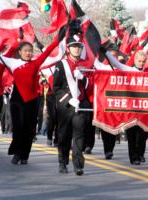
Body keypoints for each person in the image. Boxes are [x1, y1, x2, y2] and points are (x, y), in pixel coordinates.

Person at [0, 28, 64, 165]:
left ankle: (24, 155)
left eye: (30, 51)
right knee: (18, 127)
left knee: (29, 129)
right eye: (26, 51)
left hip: (31, 101)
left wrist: (59, 39)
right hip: (17, 101)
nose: (28, 53)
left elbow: (47, 53)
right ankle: (17, 152)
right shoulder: (13, 62)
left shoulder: (36, 63)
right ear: (20, 52)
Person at [54, 35, 92, 175]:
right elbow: (56, 88)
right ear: (68, 49)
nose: (77, 49)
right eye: (74, 46)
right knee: (64, 135)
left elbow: (93, 85)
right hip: (67, 106)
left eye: (79, 46)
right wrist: (68, 99)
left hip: (81, 104)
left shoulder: (86, 65)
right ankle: (63, 162)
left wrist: (83, 79)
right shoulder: (61, 64)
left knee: (79, 136)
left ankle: (78, 165)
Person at [125, 50, 148, 165]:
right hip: (130, 108)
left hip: (144, 109)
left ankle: (140, 154)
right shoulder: (129, 70)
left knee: (143, 134)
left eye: (143, 62)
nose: (141, 63)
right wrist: (105, 52)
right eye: (139, 61)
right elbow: (115, 64)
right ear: (135, 61)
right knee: (131, 134)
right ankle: (133, 157)